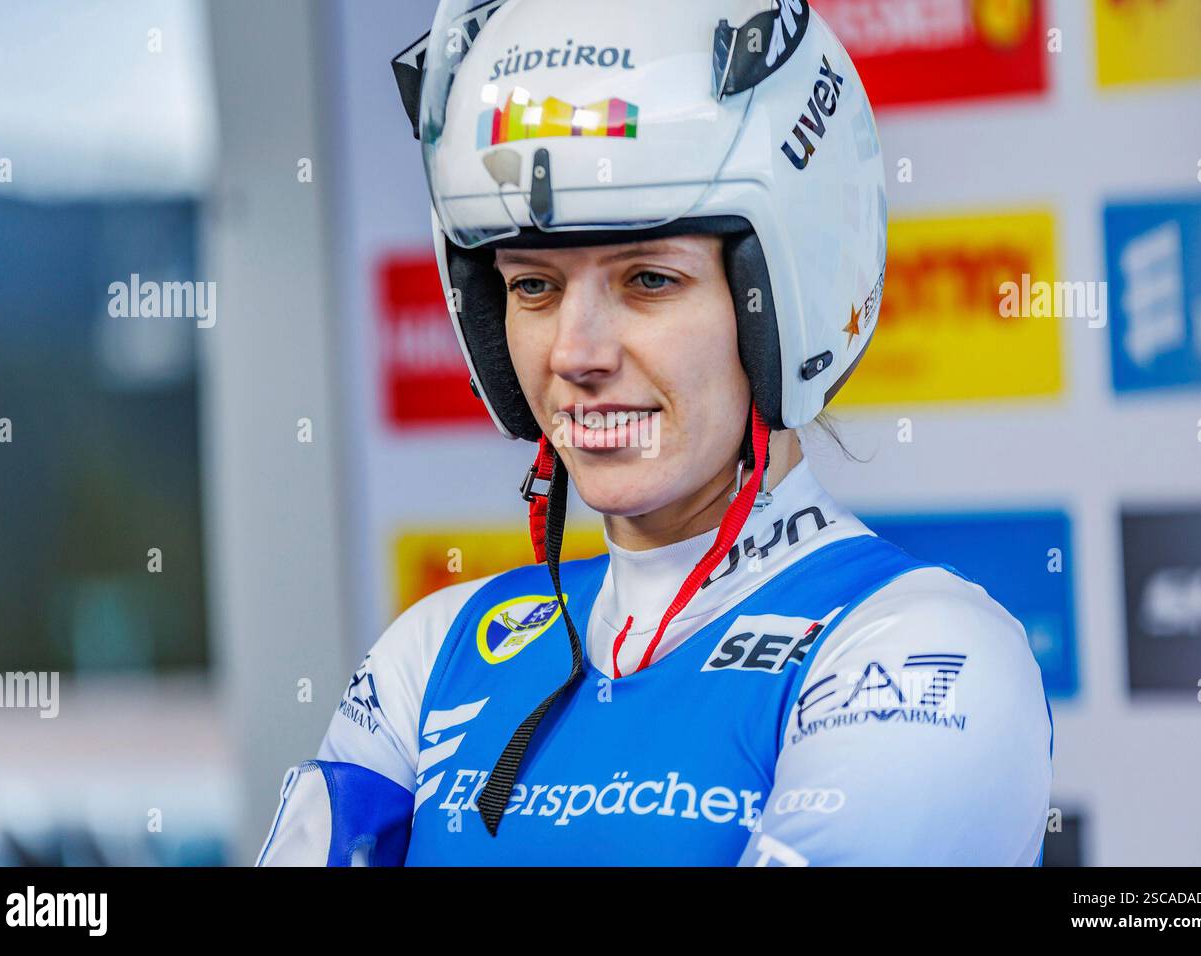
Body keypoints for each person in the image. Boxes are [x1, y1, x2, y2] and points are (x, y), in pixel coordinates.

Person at [257, 0, 1053, 867]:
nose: (575, 352)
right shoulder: (434, 653)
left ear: (784, 300)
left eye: (647, 280)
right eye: (532, 288)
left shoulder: (917, 654)